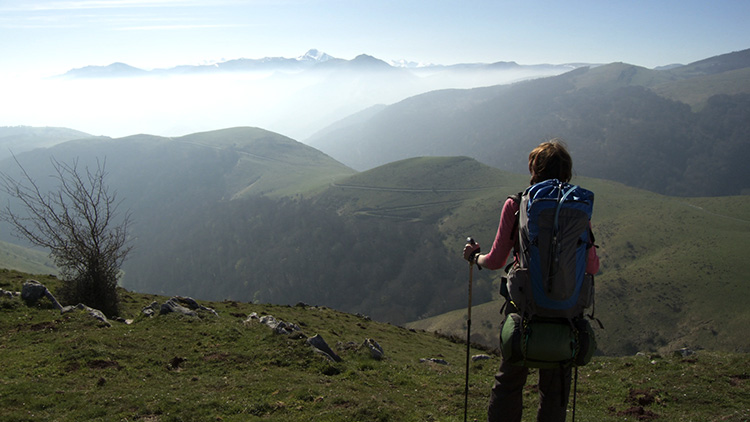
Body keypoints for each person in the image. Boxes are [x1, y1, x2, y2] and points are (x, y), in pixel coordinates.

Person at [462, 139, 600, 422]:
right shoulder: (578, 209)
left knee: (509, 383)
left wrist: (475, 258)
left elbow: (497, 260)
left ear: (534, 169)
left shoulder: (517, 204)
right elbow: (592, 266)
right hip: (566, 314)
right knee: (555, 390)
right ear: (567, 172)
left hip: (525, 311)